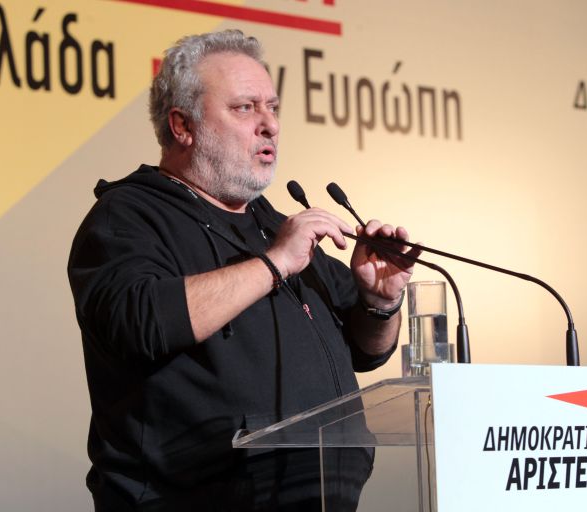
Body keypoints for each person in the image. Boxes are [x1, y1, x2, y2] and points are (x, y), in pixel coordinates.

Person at [67, 30, 417, 511]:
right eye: (245, 108)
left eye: (272, 107)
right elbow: (141, 322)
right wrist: (274, 263)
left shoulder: (273, 224)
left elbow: (367, 350)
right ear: (182, 125)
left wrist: (380, 302)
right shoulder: (128, 216)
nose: (269, 125)